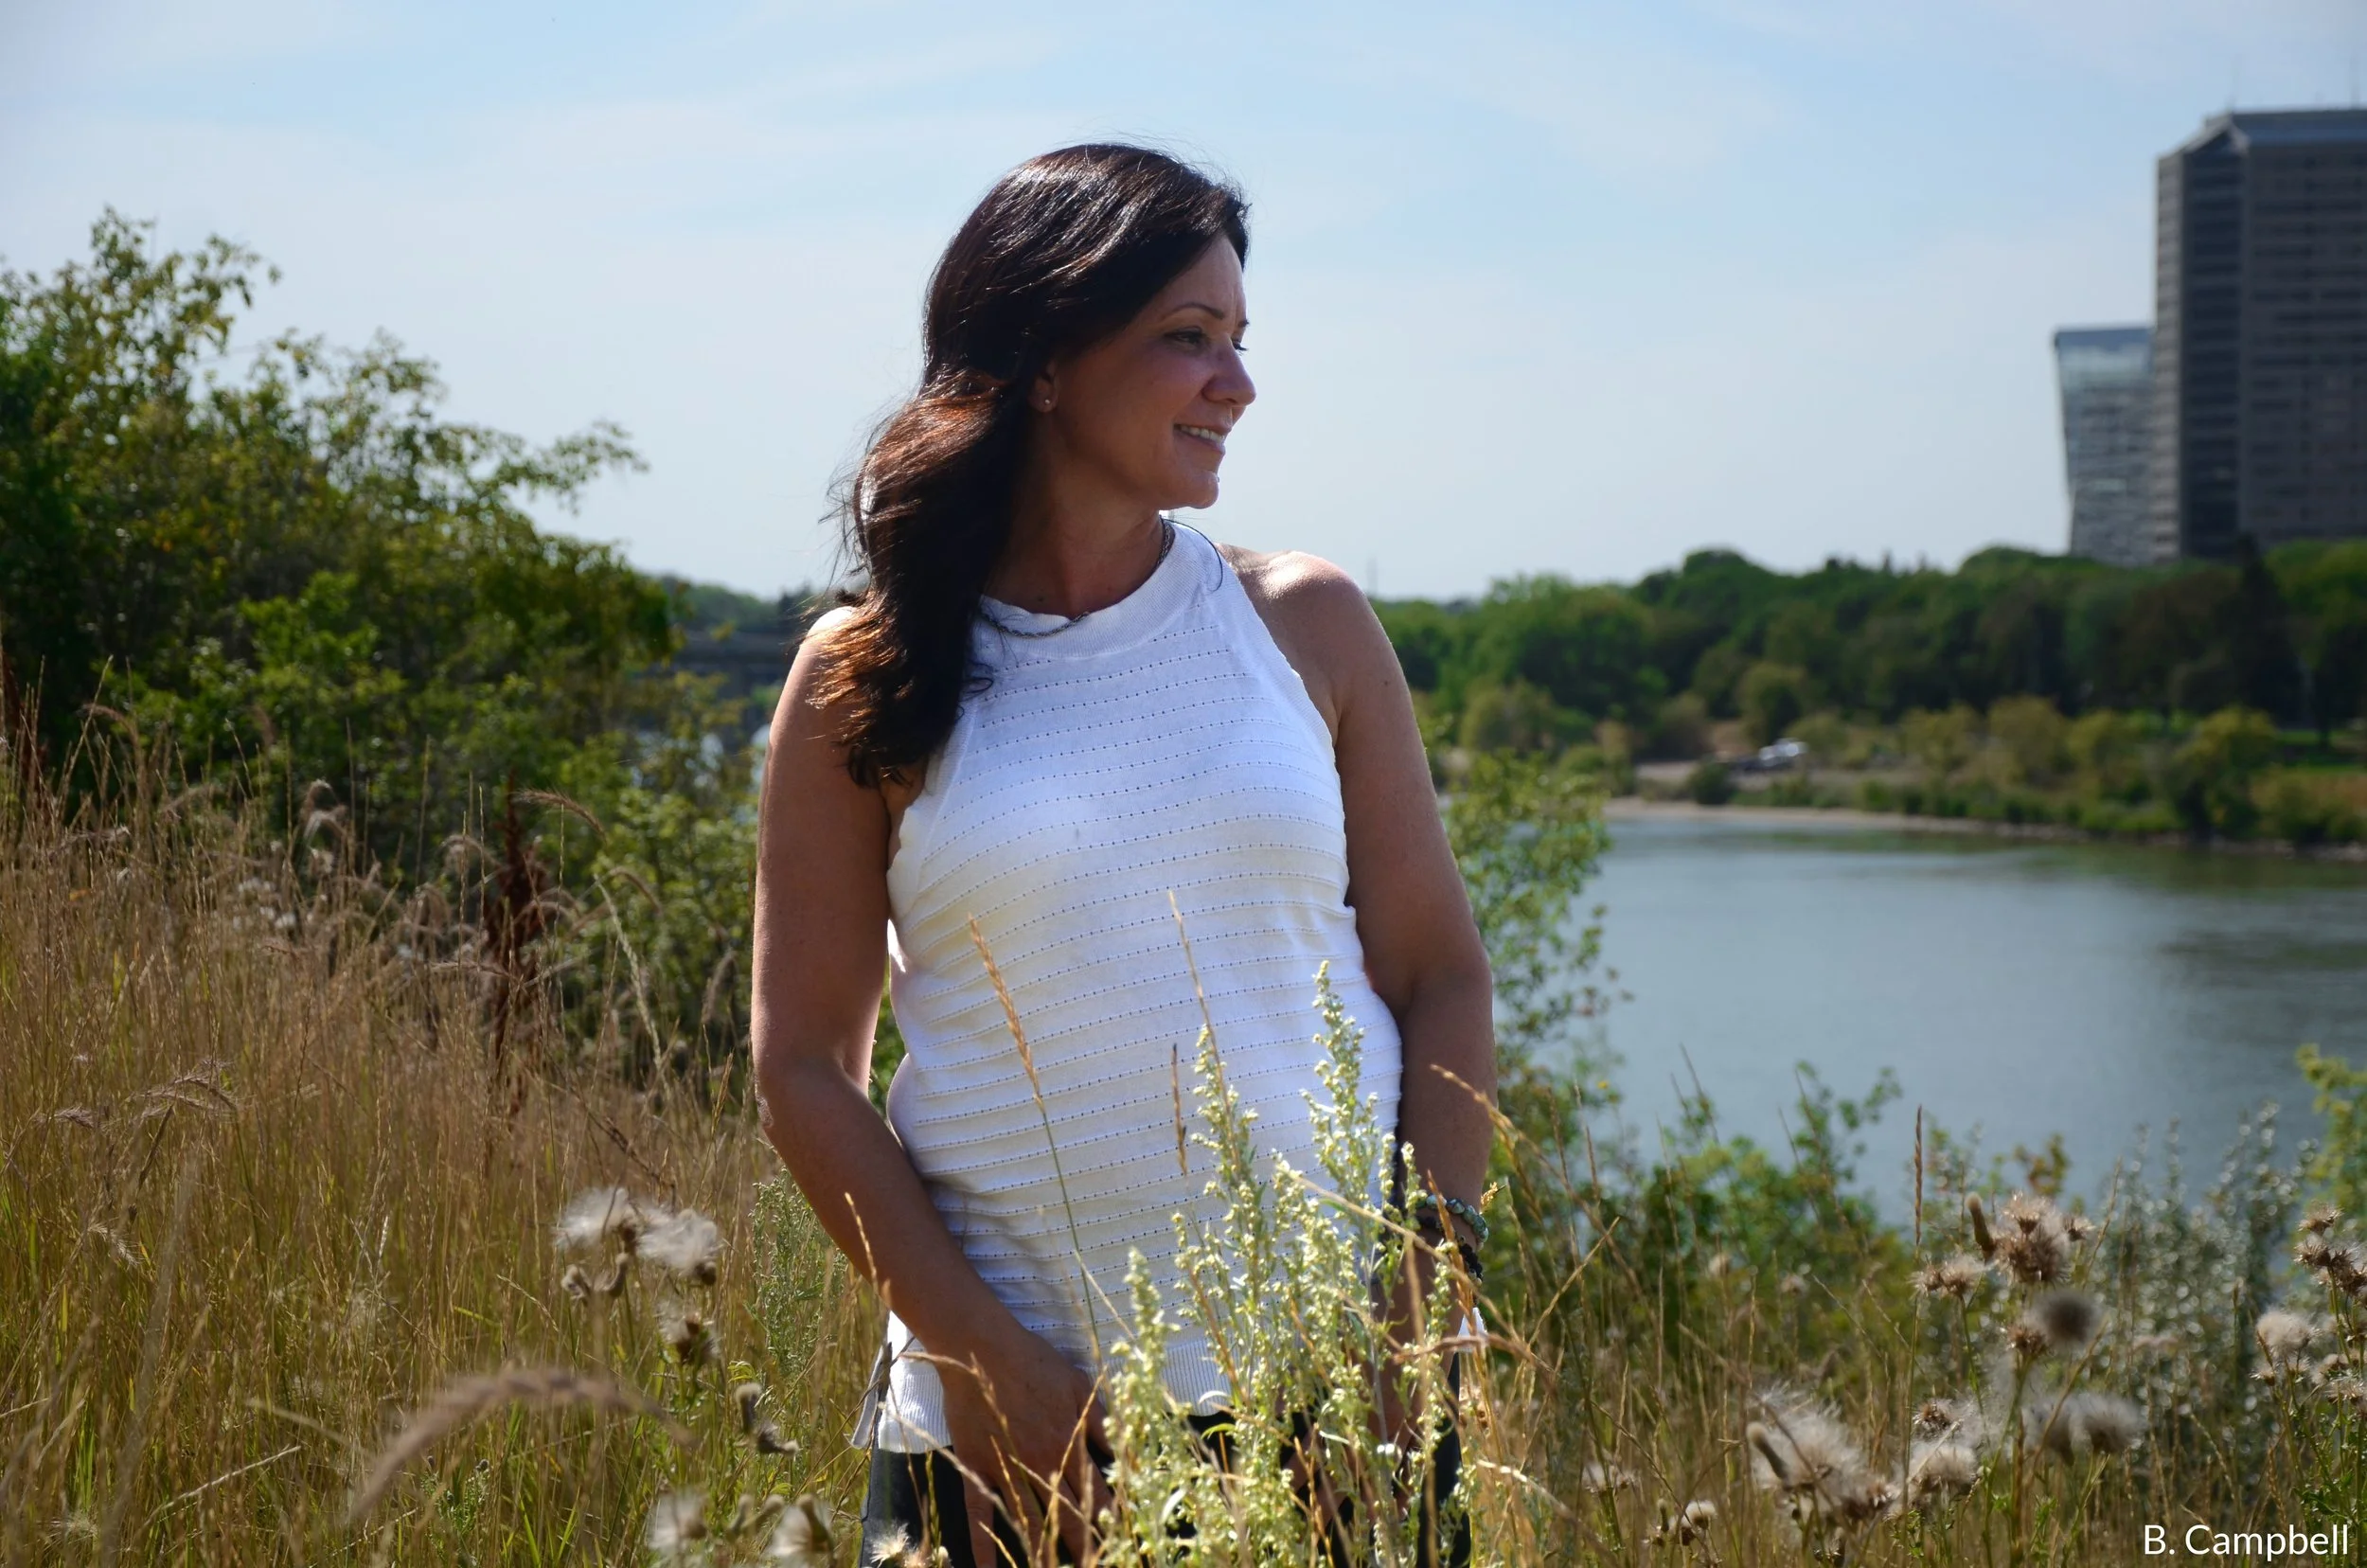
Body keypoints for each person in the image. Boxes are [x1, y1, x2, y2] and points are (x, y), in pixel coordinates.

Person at [751, 143, 1494, 1566]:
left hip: (1345, 1410)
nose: (1239, 384)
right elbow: (802, 1070)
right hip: (1017, 1433)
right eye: (1189, 338)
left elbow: (1440, 978)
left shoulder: (1306, 625)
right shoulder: (868, 673)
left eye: (1241, 339)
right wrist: (988, 1371)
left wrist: (1415, 1317)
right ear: (1045, 360)